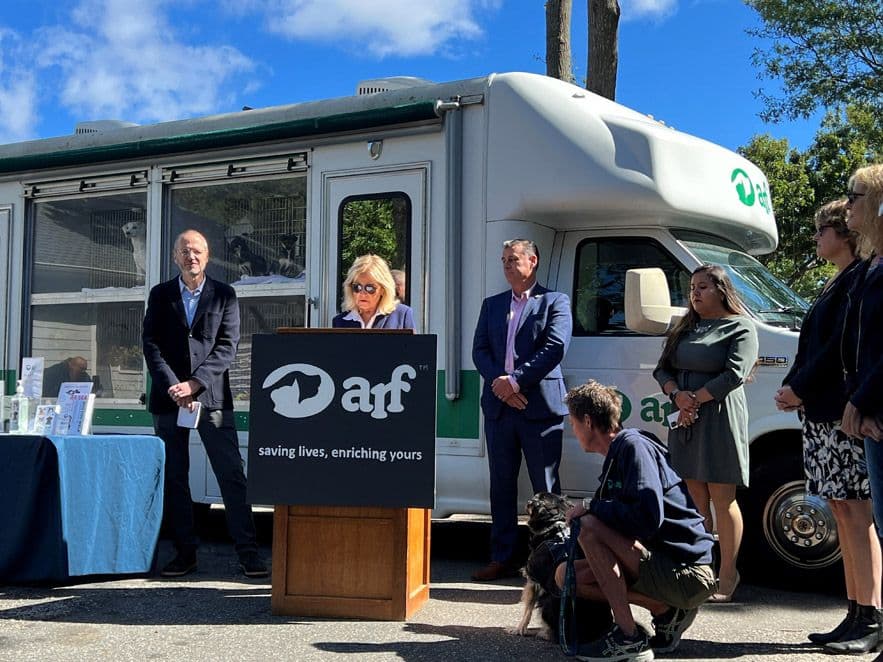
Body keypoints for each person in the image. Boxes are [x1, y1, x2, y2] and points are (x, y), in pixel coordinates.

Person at [774, 199, 880, 651]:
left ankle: (871, 616)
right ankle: (854, 611)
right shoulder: (837, 280)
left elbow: (838, 346)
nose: (816, 237)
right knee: (840, 509)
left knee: (857, 513)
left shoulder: (859, 277)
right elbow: (811, 346)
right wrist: (794, 385)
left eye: (823, 230)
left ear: (845, 233)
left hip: (841, 413)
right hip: (821, 414)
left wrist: (799, 387)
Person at [555, 380, 716, 660]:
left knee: (588, 525)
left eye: (573, 423)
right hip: (662, 564)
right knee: (565, 577)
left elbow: (647, 518)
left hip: (688, 571)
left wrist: (591, 506)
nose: (573, 429)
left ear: (588, 422)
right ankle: (665, 610)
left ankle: (628, 637)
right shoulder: (616, 457)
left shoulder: (633, 447)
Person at [143, 229, 267, 579]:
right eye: (184, 251)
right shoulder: (160, 294)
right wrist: (174, 386)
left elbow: (228, 346)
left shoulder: (225, 294)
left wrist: (194, 384)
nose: (191, 256)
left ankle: (248, 553)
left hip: (211, 400)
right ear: (175, 257)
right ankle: (184, 553)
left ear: (208, 256)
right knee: (175, 477)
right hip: (169, 400)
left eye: (197, 250)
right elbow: (151, 344)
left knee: (231, 474)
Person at [653, 264, 758, 603]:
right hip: (685, 417)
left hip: (718, 418)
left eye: (703, 287)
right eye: (692, 287)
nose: (695, 293)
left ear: (721, 291)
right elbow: (662, 370)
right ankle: (700, 569)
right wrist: (677, 395)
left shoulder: (741, 326)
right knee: (694, 498)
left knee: (722, 498)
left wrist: (695, 399)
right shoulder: (685, 327)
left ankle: (728, 575)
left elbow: (734, 374)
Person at [471, 238, 572, 581]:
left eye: (513, 259)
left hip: (538, 407)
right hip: (500, 409)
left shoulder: (555, 301)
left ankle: (553, 560)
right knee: (501, 485)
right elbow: (480, 351)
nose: (507, 266)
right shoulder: (492, 305)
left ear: (533, 261)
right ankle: (502, 557)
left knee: (546, 487)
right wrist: (501, 386)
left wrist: (515, 382)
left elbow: (554, 347)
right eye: (504, 260)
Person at [836, 164, 883, 655]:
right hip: (870, 412)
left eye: (855, 195)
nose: (847, 204)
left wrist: (861, 400)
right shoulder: (873, 264)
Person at [332, 255, 414, 329]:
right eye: (357, 287)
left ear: (383, 289)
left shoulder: (402, 315)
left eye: (370, 288)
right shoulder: (339, 321)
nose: (362, 293)